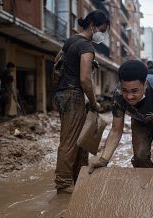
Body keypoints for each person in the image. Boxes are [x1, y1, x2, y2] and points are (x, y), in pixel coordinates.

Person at [88, 60, 153, 177]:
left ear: (145, 85)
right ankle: (145, 188)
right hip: (140, 121)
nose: (129, 96)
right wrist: (103, 160)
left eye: (134, 91)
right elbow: (116, 130)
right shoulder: (118, 95)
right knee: (140, 157)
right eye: (125, 90)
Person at [53, 10, 109, 194]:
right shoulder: (86, 46)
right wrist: (94, 102)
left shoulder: (70, 41)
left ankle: (79, 177)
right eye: (102, 30)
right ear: (92, 25)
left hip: (62, 93)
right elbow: (85, 80)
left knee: (79, 139)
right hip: (73, 95)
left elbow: (58, 63)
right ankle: (62, 182)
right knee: (70, 141)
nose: (103, 35)